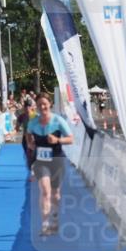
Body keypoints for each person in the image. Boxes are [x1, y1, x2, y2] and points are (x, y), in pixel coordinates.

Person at [26, 94, 74, 235]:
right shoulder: (33, 122)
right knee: (45, 191)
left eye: (45, 104)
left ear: (50, 104)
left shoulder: (58, 121)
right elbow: (28, 136)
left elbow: (71, 139)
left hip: (57, 160)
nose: (42, 107)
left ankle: (54, 220)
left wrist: (57, 140)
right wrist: (30, 143)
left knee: (56, 194)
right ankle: (45, 224)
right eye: (39, 104)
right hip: (41, 162)